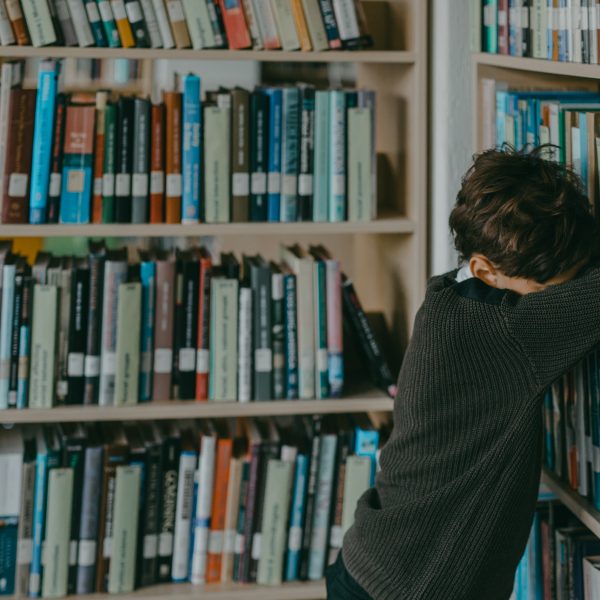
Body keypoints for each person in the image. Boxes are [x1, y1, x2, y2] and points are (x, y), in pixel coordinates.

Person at [327, 146, 600, 600]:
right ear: (484, 270)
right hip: (413, 587)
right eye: (552, 292)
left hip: (373, 565)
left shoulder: (453, 300)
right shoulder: (509, 332)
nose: (564, 299)